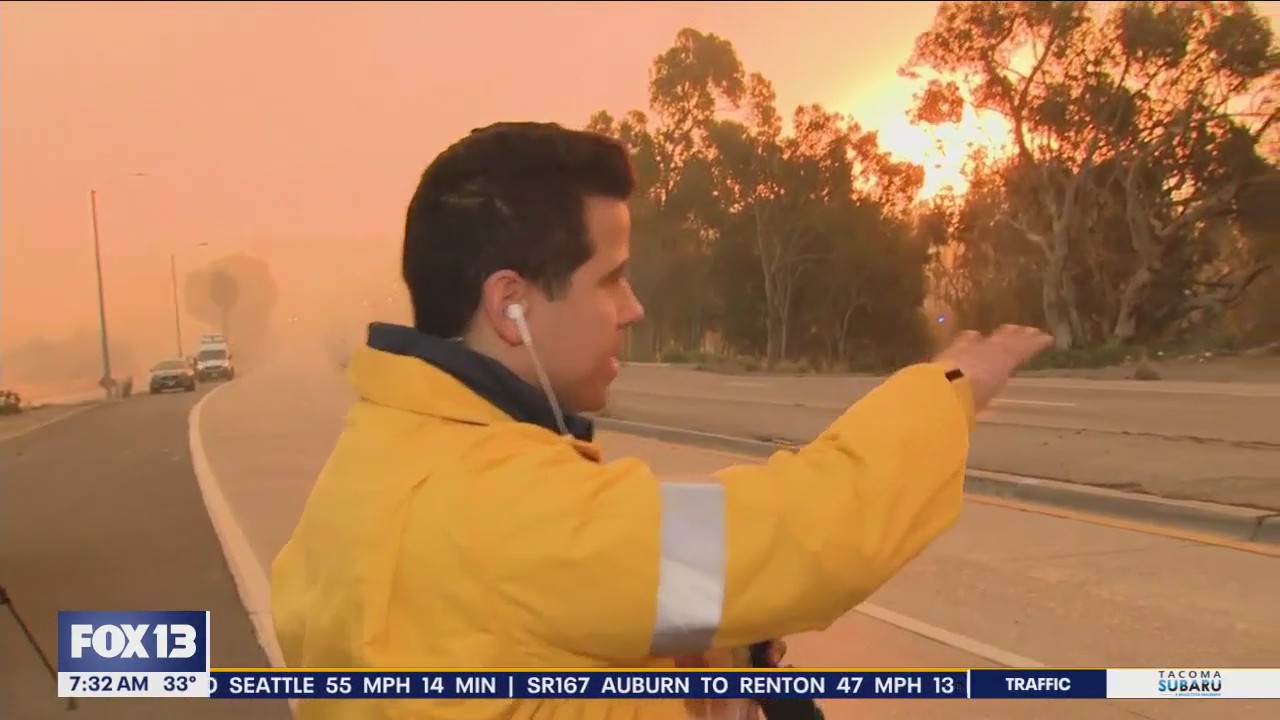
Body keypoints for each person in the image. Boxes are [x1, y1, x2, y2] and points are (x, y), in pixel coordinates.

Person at [270, 121, 1053, 720]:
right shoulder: (505, 511)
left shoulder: (380, 459)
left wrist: (682, 671)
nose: (634, 309)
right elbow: (808, 531)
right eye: (610, 279)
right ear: (512, 305)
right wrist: (950, 386)